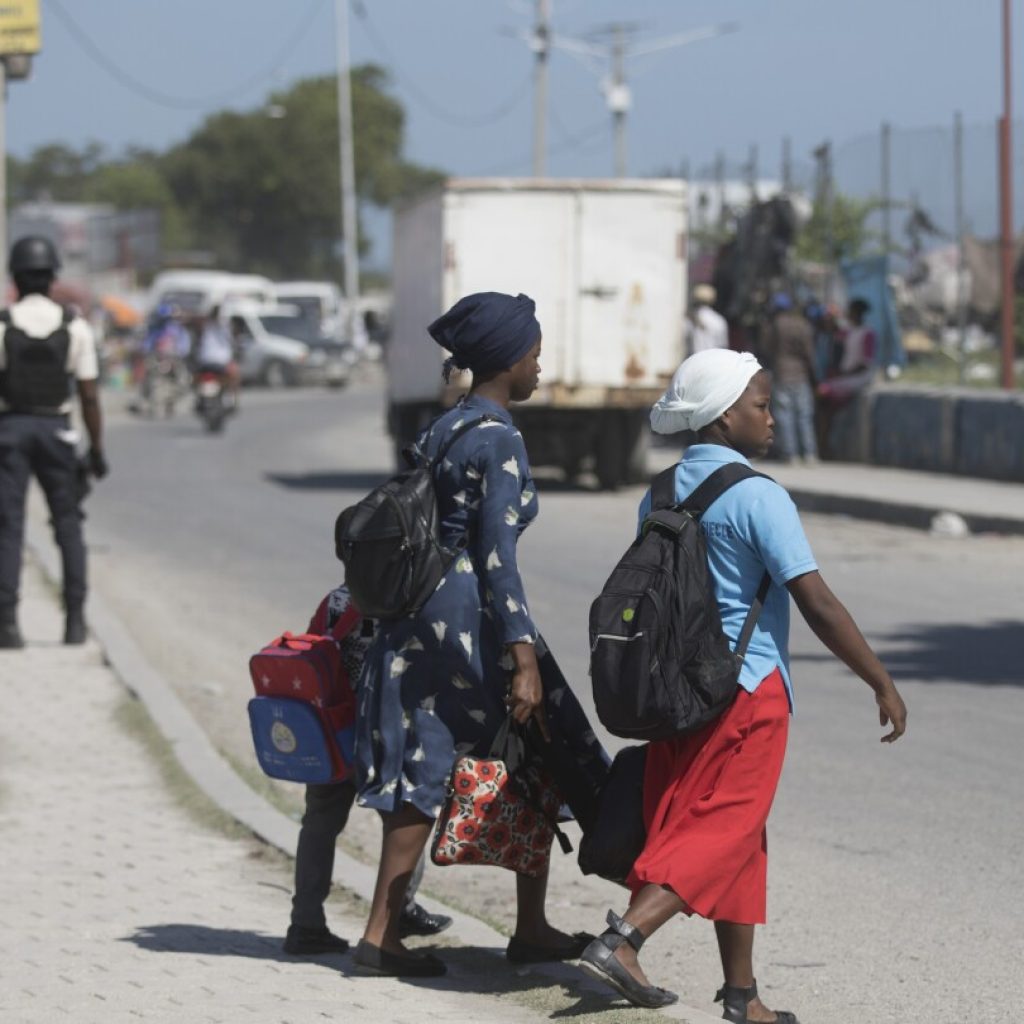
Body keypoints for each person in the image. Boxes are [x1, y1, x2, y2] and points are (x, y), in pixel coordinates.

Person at [578, 348, 908, 1021]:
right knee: (725, 825)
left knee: (740, 834)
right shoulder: (759, 496)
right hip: (747, 689)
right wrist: (879, 679)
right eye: (761, 406)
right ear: (725, 415)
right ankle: (625, 939)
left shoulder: (661, 491)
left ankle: (742, 996)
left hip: (680, 692)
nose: (772, 419)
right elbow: (816, 601)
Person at [353, 291, 605, 978]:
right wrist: (522, 653)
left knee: (446, 756)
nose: (540, 368)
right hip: (471, 616)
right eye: (534, 356)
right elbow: (498, 552)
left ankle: (517, 928)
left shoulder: (448, 425)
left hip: (423, 608)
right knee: (519, 748)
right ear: (505, 363)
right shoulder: (499, 437)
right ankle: (388, 935)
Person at [283, 582, 451, 956]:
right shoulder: (405, 598)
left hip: (329, 734)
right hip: (382, 733)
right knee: (407, 818)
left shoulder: (337, 601)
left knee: (319, 824)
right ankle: (399, 909)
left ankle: (305, 923)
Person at [0, 236, 108, 649]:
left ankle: (8, 624)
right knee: (68, 526)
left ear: (15, 276)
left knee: (9, 528)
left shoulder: (4, 323)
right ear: (51, 277)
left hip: (10, 430)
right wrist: (96, 451)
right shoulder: (74, 326)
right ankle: (75, 622)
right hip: (57, 432)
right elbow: (90, 396)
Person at [815, 297, 876, 458]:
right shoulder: (849, 332)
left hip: (858, 376)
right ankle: (823, 444)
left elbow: (865, 363)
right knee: (824, 404)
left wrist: (843, 373)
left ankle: (823, 445)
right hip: (845, 376)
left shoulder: (867, 333)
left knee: (824, 393)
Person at [761, 293, 818, 464]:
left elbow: (767, 348)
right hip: (801, 375)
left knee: (785, 416)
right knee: (804, 415)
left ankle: (790, 454)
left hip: (782, 374)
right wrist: (815, 376)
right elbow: (809, 353)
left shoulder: (774, 325)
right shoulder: (803, 324)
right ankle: (809, 453)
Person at [195, 305, 240, 406]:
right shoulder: (226, 327)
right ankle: (231, 398)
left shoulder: (205, 326)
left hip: (204, 361)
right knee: (235, 375)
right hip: (221, 363)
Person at [686, 284, 729, 355]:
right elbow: (723, 344)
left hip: (693, 360)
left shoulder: (689, 319)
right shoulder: (719, 320)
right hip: (713, 359)